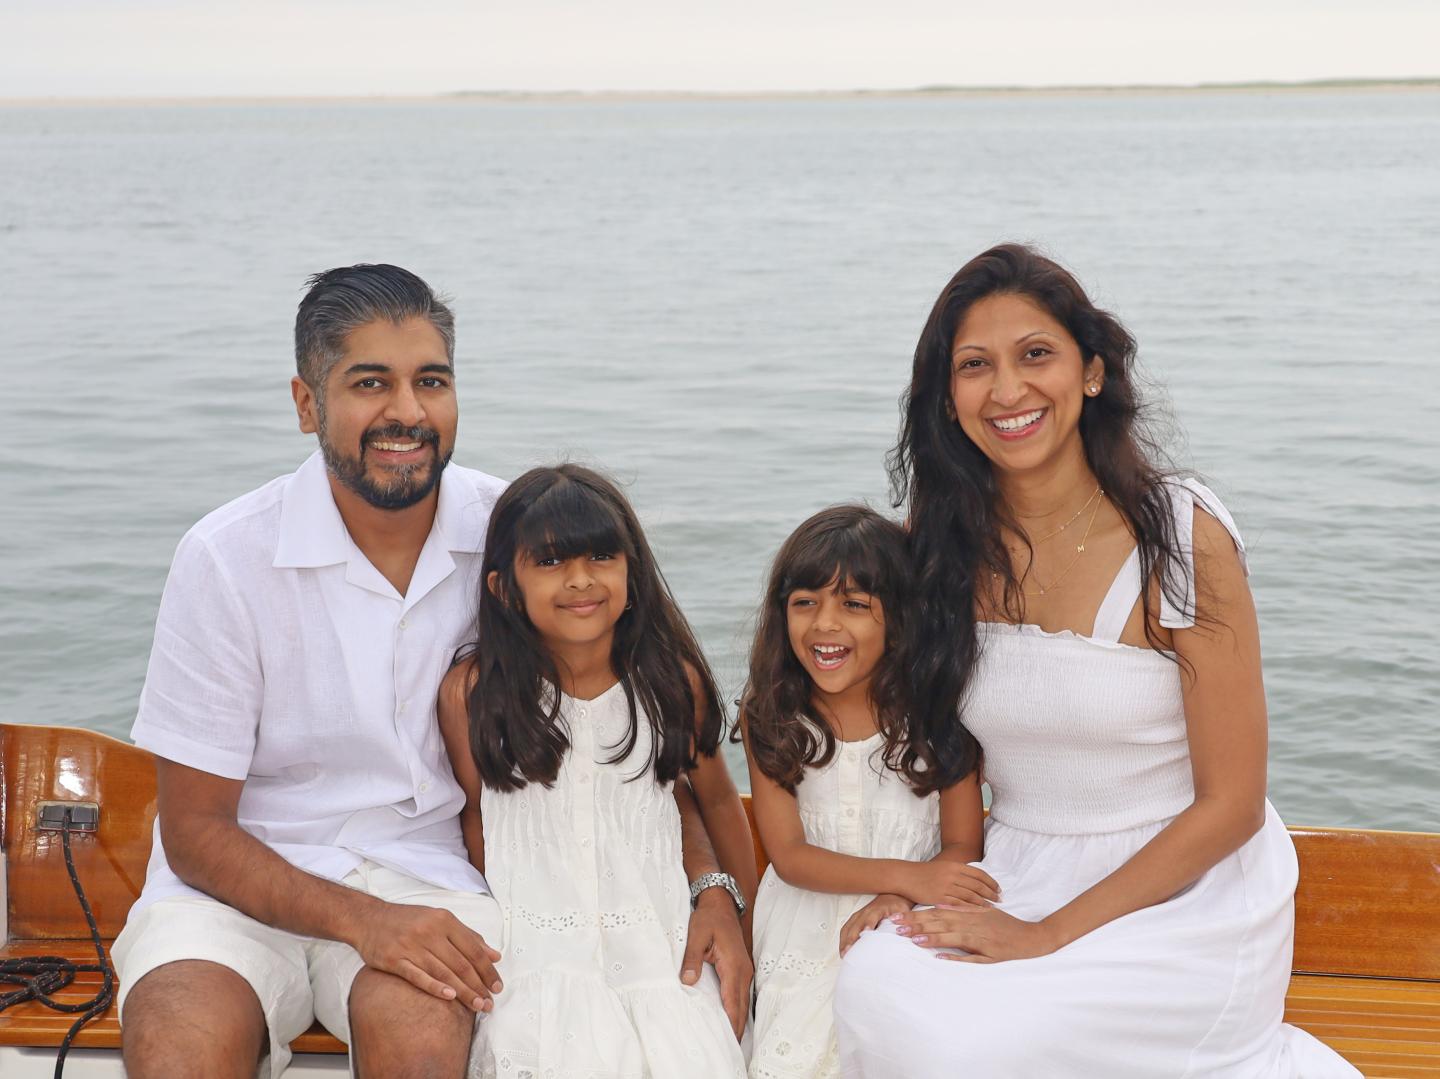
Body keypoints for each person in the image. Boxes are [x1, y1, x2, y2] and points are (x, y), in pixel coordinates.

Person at [114, 266, 750, 1079]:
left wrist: (713, 887)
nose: (407, 412)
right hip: (234, 889)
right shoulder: (225, 557)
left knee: (420, 1036)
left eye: (431, 381)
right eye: (369, 383)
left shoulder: (518, 539)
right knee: (179, 1043)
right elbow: (197, 832)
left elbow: (635, 742)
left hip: (428, 877)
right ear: (308, 403)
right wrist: (361, 921)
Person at [834, 244, 1360, 1077]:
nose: (1007, 391)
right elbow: (931, 756)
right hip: (1015, 865)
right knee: (874, 984)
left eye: (1034, 354)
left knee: (974, 1042)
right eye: (975, 366)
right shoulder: (941, 551)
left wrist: (1047, 936)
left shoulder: (1180, 536)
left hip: (1187, 892)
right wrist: (921, 880)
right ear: (948, 397)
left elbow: (1230, 804)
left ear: (1090, 372)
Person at [437, 464, 755, 1079]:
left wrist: (741, 922)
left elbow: (716, 802)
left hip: (662, 960)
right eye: (551, 562)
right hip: (533, 965)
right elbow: (477, 821)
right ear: (504, 588)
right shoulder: (474, 694)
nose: (581, 580)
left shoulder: (670, 683)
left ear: (631, 572)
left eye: (602, 557)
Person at [739, 505, 988, 1079]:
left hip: (912, 921)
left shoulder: (939, 716)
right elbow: (790, 857)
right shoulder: (772, 716)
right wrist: (908, 877)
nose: (825, 624)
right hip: (804, 934)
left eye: (853, 605)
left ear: (899, 620)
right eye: (805, 602)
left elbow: (962, 844)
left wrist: (901, 901)